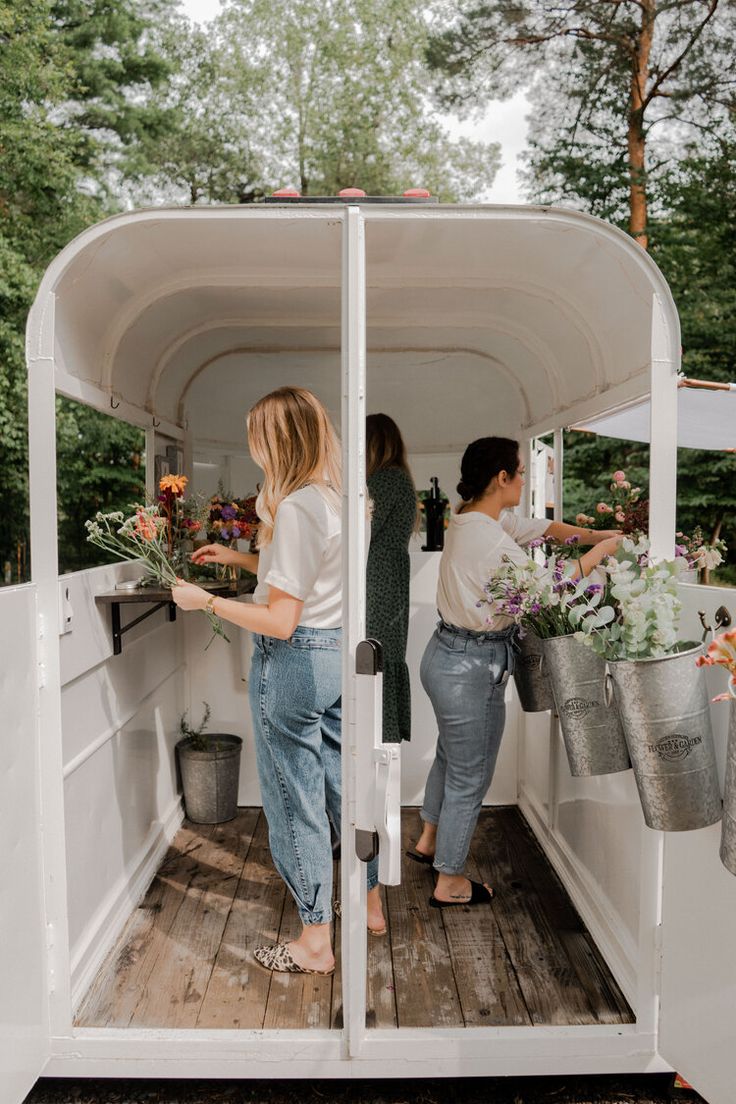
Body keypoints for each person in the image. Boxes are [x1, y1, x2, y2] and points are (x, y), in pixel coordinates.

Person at [172, 386, 384, 975]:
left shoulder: (296, 508)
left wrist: (204, 601)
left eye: (256, 437)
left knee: (295, 801)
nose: (252, 448)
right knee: (344, 785)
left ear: (278, 440)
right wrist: (240, 561)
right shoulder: (346, 497)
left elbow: (281, 619)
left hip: (295, 663)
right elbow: (315, 578)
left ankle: (315, 942)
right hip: (340, 656)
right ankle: (367, 902)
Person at [408, 436, 621, 909]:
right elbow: (551, 591)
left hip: (444, 657)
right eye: (521, 472)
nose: (525, 480)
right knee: (472, 775)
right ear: (501, 478)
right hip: (470, 668)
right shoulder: (488, 541)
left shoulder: (471, 516)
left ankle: (428, 839)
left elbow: (539, 528)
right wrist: (604, 551)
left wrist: (589, 535)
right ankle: (450, 881)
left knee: (450, 754)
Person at [365, 413, 418, 744]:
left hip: (378, 579)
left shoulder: (385, 480)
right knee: (383, 656)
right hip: (389, 576)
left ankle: (379, 736)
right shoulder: (399, 478)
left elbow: (362, 530)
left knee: (374, 656)